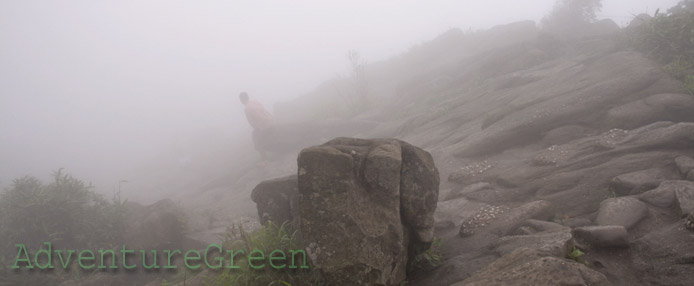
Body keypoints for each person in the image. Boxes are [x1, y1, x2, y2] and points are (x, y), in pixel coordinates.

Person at [239, 92, 273, 158]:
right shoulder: (255, 101)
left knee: (255, 136)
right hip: (271, 119)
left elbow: (252, 123)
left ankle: (264, 157)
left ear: (241, 100)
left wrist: (258, 128)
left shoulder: (247, 109)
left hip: (265, 125)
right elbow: (264, 110)